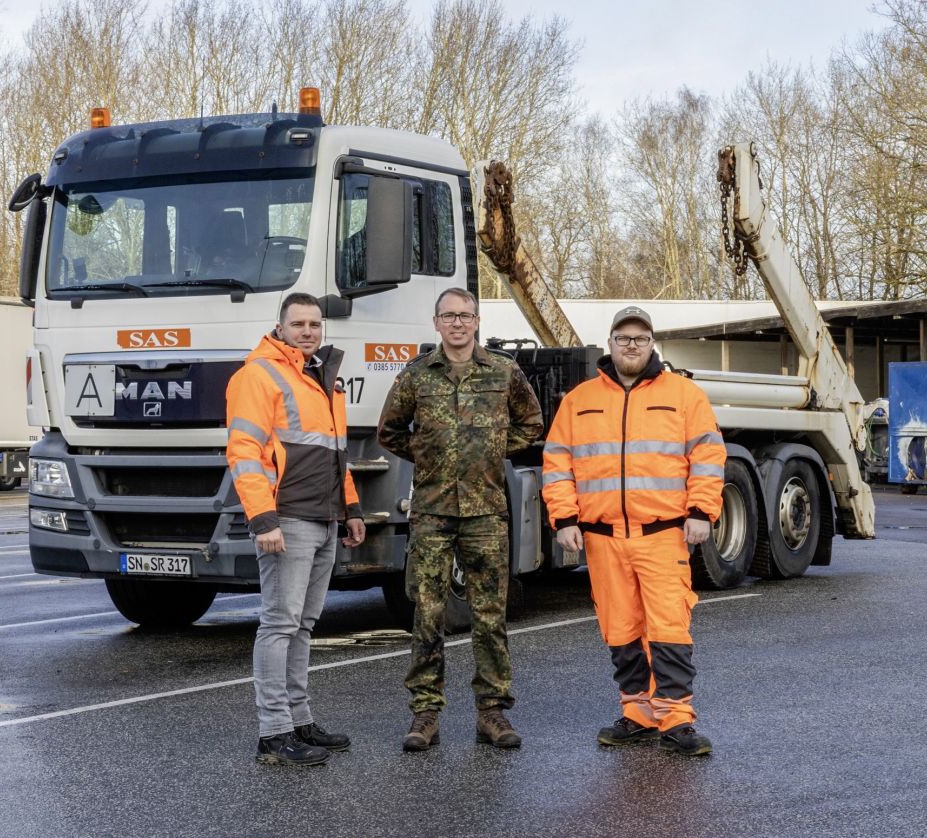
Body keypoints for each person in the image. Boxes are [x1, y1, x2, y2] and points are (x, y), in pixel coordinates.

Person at [541, 306, 725, 755]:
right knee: (620, 628)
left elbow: (707, 457)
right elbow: (557, 464)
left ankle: (676, 719)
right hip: (603, 537)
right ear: (610, 343)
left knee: (668, 627)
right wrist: (564, 519)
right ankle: (639, 713)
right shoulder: (579, 400)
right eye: (623, 338)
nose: (631, 346)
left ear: (651, 344)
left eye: (640, 339)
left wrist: (701, 511)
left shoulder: (684, 395)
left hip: (663, 534)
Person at [377, 287, 544, 752]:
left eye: (464, 316)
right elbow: (389, 431)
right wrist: (431, 457)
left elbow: (532, 423)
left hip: (486, 510)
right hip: (432, 511)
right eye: (448, 316)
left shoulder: (504, 371)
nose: (457, 323)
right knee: (427, 614)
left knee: (490, 614)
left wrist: (490, 452)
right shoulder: (416, 375)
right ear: (436, 324)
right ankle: (425, 714)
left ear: (476, 322)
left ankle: (492, 713)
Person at [226, 292, 366, 766]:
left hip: (324, 517)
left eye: (315, 324)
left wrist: (351, 509)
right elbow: (244, 451)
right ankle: (273, 733)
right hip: (287, 518)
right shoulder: (259, 374)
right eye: (299, 323)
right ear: (280, 327)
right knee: (280, 624)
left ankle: (299, 720)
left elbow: (335, 454)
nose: (308, 331)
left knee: (303, 626)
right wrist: (263, 519)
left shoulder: (321, 377)